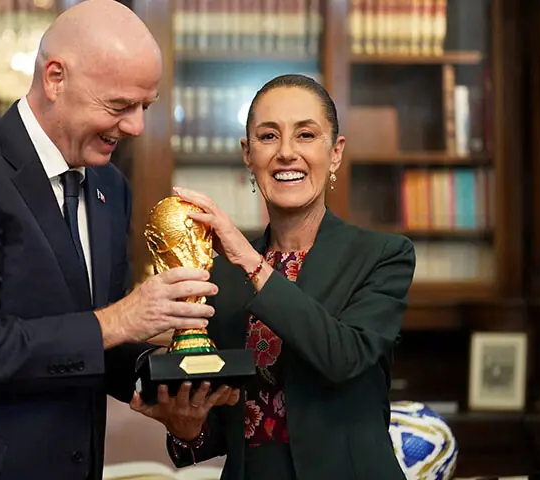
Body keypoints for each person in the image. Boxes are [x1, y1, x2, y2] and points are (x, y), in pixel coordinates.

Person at [0, 1, 233, 479]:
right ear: (55, 79)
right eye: (119, 106)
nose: (137, 126)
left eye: (146, 106)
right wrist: (123, 318)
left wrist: (165, 385)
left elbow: (96, 335)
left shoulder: (110, 187)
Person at [130, 74, 416, 479]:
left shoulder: (382, 256)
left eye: (305, 135)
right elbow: (226, 415)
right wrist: (188, 428)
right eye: (268, 137)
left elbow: (343, 358)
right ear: (248, 154)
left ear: (335, 153)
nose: (286, 153)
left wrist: (251, 261)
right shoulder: (219, 274)